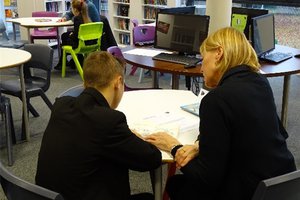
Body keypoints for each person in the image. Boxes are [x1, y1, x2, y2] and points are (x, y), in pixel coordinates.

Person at [145, 27, 296, 200]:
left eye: (203, 59)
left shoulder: (216, 100)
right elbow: (276, 134)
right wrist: (201, 145)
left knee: (177, 185)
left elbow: (206, 179)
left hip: (249, 192)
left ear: (218, 53)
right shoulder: (260, 82)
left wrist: (174, 147)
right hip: (282, 187)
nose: (201, 68)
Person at [35, 51, 162, 200]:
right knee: (148, 197)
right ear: (118, 82)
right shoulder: (109, 121)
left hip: (47, 197)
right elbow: (151, 159)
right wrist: (131, 137)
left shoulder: (61, 105)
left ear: (85, 83)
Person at [54, 0, 92, 70]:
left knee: (64, 38)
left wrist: (72, 34)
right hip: (87, 42)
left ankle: (63, 62)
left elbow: (76, 36)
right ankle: (75, 60)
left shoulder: (77, 19)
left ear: (75, 9)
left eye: (71, 8)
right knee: (65, 35)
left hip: (78, 44)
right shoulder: (86, 17)